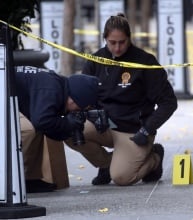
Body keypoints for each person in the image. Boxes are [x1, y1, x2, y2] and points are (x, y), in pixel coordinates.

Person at [65, 13, 177, 186]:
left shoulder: (145, 62)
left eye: (122, 42)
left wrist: (147, 129)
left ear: (129, 38)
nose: (117, 48)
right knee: (69, 130)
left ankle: (154, 158)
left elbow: (169, 103)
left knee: (122, 178)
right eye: (112, 43)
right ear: (105, 39)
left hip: (134, 131)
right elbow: (81, 96)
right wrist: (85, 114)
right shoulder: (95, 61)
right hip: (103, 125)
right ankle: (106, 164)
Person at [15, 65, 99, 192]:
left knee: (36, 127)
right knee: (28, 130)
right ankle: (10, 179)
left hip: (5, 97)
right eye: (79, 108)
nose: (78, 111)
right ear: (74, 99)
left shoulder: (58, 85)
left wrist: (67, 129)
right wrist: (67, 123)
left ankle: (29, 179)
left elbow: (47, 126)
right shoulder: (52, 89)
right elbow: (42, 121)